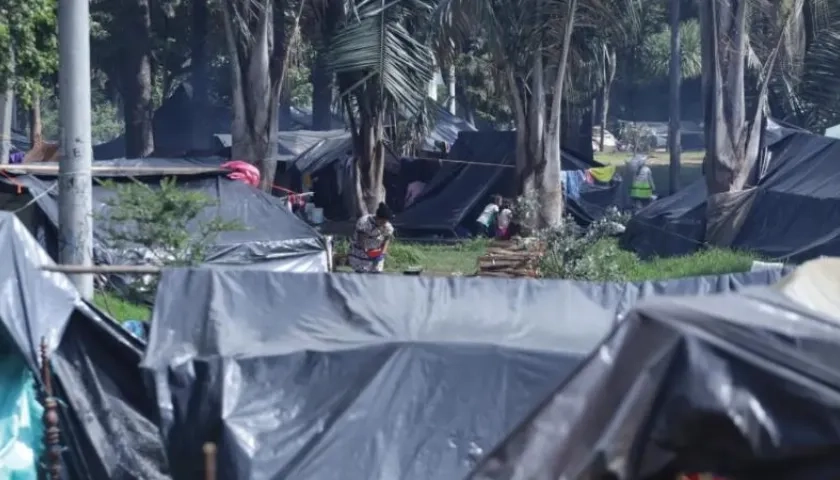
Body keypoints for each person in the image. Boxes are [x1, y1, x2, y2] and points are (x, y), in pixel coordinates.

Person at [348, 202, 395, 273]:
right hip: (361, 254)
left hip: (376, 254)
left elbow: (387, 240)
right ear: (378, 217)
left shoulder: (387, 226)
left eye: (385, 221)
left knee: (376, 275)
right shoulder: (364, 222)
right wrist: (367, 251)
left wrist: (382, 253)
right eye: (382, 221)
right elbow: (361, 240)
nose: (384, 223)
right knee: (362, 276)